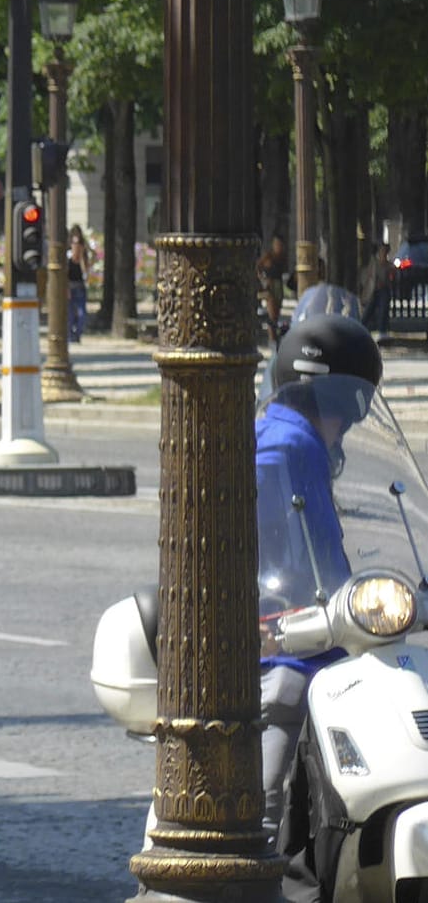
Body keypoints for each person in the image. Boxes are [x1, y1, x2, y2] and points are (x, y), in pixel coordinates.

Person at [255, 313, 382, 901]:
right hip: (285, 645)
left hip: (310, 633)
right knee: (270, 769)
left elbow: (322, 550)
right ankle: (256, 866)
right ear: (347, 400)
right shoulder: (287, 445)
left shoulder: (291, 435)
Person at [257, 233, 290, 338]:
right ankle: (272, 337)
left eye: (280, 244)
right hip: (270, 286)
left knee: (276, 313)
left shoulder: (282, 258)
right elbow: (258, 267)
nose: (278, 246)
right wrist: (263, 279)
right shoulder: (268, 256)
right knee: (271, 313)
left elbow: (284, 271)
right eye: (276, 244)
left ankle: (275, 336)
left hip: (278, 286)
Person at [359, 240, 392, 334]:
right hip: (373, 291)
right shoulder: (374, 263)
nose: (384, 254)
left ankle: (382, 331)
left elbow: (389, 278)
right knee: (369, 311)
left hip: (382, 290)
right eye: (382, 251)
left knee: (383, 310)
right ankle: (362, 328)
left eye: (385, 252)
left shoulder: (387, 265)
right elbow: (368, 276)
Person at [68, 225, 90, 343]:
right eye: (74, 243)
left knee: (82, 314)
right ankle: (71, 336)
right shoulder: (68, 258)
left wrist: (81, 257)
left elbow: (85, 274)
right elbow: (65, 276)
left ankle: (78, 334)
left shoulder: (83, 258)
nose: (76, 246)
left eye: (79, 243)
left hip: (80, 288)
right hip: (70, 288)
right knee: (70, 315)